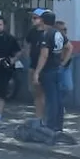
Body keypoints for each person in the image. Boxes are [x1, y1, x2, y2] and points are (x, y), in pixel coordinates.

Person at [30, 10, 72, 143]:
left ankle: (51, 127)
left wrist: (37, 72)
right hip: (58, 69)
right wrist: (63, 63)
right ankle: (58, 126)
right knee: (58, 100)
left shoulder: (46, 35)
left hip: (48, 71)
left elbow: (44, 55)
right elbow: (69, 47)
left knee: (52, 100)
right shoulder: (58, 33)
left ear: (43, 20)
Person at [25, 8, 47, 122]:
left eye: (35, 18)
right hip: (33, 66)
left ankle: (46, 118)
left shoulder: (49, 32)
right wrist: (28, 54)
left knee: (44, 93)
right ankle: (39, 117)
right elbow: (28, 44)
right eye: (32, 18)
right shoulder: (32, 31)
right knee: (36, 93)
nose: (33, 20)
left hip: (46, 68)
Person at [55, 20, 74, 97]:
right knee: (57, 87)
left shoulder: (65, 39)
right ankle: (58, 105)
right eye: (62, 29)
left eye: (65, 29)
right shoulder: (56, 38)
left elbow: (70, 49)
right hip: (57, 65)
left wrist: (64, 63)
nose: (65, 31)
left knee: (68, 87)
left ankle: (58, 103)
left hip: (66, 66)